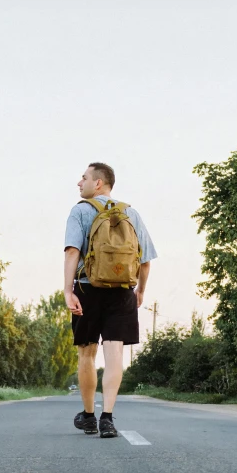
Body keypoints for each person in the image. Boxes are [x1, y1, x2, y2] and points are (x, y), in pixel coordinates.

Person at [64, 162, 157, 438]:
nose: (79, 183)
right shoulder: (131, 213)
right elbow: (146, 260)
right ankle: (108, 418)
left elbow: (72, 252)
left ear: (99, 184)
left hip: (87, 288)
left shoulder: (80, 211)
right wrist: (139, 291)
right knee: (114, 354)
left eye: (84, 178)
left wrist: (67, 290)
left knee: (87, 352)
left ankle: (89, 416)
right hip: (122, 290)